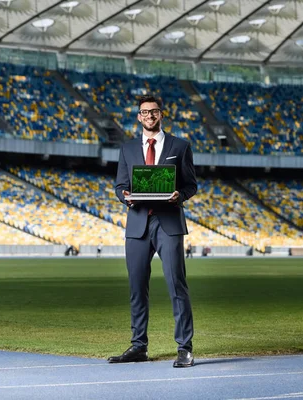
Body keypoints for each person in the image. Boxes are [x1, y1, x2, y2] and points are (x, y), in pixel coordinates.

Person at [109, 95, 197, 368]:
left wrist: (178, 195)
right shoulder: (127, 148)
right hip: (137, 224)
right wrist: (125, 196)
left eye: (154, 111)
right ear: (138, 116)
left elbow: (191, 185)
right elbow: (119, 185)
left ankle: (184, 348)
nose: (149, 116)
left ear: (161, 114)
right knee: (137, 288)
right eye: (144, 112)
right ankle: (139, 346)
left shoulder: (180, 146)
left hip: (168, 222)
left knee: (176, 285)